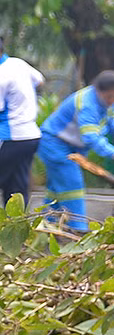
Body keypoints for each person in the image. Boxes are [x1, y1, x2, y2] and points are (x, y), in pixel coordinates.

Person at [37, 71, 114, 232]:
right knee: (72, 186)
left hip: (72, 145)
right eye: (110, 97)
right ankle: (79, 229)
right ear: (99, 90)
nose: (113, 101)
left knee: (57, 186)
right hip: (55, 143)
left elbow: (109, 118)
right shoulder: (87, 105)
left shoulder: (108, 102)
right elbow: (91, 139)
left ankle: (45, 222)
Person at [0, 34, 46, 209]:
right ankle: (18, 227)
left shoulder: (1, 75)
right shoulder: (18, 63)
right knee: (16, 186)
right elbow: (40, 80)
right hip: (31, 136)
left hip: (11, 137)